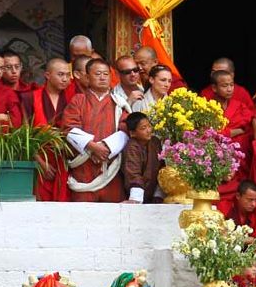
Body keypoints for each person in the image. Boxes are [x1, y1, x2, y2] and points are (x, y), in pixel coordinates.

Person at [63, 58, 129, 202]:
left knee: (113, 217)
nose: (102, 77)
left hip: (110, 166)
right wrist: (93, 147)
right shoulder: (78, 100)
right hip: (84, 167)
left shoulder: (118, 102)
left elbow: (125, 129)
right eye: (98, 74)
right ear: (87, 77)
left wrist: (106, 148)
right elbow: (69, 127)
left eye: (106, 74)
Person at [20, 58, 72, 201]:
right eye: (60, 75)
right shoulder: (29, 98)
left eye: (68, 75)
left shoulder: (72, 99)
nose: (65, 79)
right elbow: (24, 134)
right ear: (47, 75)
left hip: (63, 160)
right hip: (38, 158)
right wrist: (40, 162)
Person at [206, 69, 254, 208]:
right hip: (214, 164)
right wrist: (233, 131)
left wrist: (224, 133)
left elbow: (247, 130)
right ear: (214, 88)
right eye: (224, 86)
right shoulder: (206, 108)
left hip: (237, 164)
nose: (229, 89)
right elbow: (208, 134)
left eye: (231, 85)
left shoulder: (240, 106)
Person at [121, 112, 161, 203]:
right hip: (137, 193)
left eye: (149, 126)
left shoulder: (155, 142)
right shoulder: (132, 147)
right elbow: (133, 174)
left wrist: (158, 195)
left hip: (154, 193)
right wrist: (136, 198)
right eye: (143, 128)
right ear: (132, 133)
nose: (148, 130)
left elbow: (161, 167)